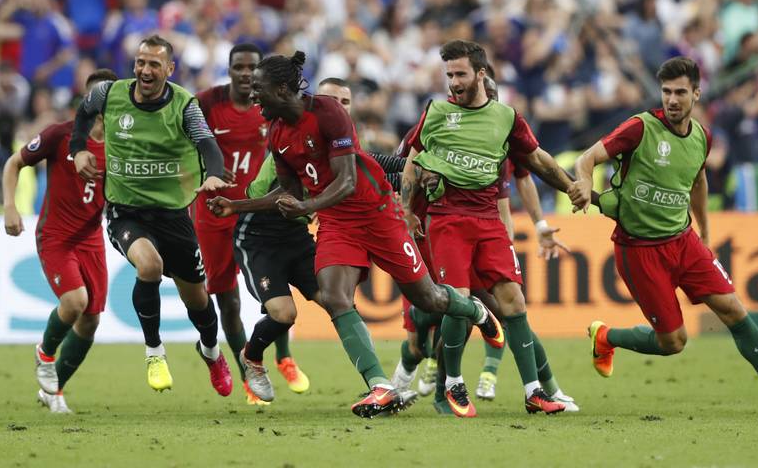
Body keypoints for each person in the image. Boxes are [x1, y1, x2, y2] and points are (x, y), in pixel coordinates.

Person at [212, 50, 505, 418]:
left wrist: (306, 208)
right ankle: (379, 386)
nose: (252, 95)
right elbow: (290, 192)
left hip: (378, 213)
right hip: (336, 221)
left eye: (259, 89)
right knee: (335, 297)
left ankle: (475, 310)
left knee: (428, 298)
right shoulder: (277, 134)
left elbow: (348, 180)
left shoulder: (327, 112)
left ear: (283, 88)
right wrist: (236, 206)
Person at [568, 56, 758, 414]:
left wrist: (704, 231)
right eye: (667, 92)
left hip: (684, 241)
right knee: (673, 342)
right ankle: (606, 336)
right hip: (639, 249)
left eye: (680, 93)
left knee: (733, 309)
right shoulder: (640, 128)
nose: (672, 100)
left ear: (697, 95)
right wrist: (582, 181)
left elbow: (699, 181)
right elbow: (586, 159)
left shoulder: (702, 137)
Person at [401, 40, 575, 417]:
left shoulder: (506, 117)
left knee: (514, 301)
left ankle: (534, 392)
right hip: (447, 221)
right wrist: (405, 211)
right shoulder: (435, 113)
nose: (453, 82)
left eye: (460, 74)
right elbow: (410, 165)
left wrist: (571, 186)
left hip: (489, 222)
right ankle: (452, 385)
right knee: (458, 303)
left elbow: (538, 162)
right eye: (449, 75)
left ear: (481, 74)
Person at [69, 35, 232, 396]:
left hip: (174, 216)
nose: (145, 69)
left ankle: (210, 351)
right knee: (149, 265)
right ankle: (154, 352)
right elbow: (82, 115)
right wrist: (78, 150)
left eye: (154, 64)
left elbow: (208, 145)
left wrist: (215, 173)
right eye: (141, 62)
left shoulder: (184, 105)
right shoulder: (108, 94)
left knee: (198, 301)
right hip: (126, 212)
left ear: (169, 69)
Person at [192, 43, 309, 404]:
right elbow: (181, 146)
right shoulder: (206, 103)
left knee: (275, 291)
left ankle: (284, 357)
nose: (245, 73)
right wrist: (207, 168)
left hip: (262, 209)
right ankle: (248, 374)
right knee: (227, 298)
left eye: (251, 68)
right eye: (238, 67)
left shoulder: (270, 106)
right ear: (228, 69)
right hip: (215, 211)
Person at [2, 68, 119, 414]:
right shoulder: (60, 135)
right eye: (94, 96)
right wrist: (9, 206)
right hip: (56, 236)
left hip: (91, 237)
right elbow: (13, 163)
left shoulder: (121, 146)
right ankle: (45, 353)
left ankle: (54, 392)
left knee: (91, 321)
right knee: (74, 302)